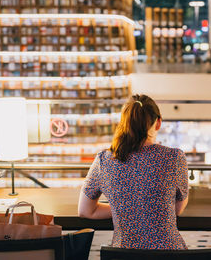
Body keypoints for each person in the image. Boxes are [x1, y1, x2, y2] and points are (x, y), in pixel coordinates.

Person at [78, 94, 189, 250]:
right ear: (158, 123)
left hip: (123, 254)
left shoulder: (104, 160)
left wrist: (125, 205)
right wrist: (141, 204)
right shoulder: (175, 157)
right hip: (169, 255)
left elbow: (85, 211)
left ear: (123, 124)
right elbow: (177, 209)